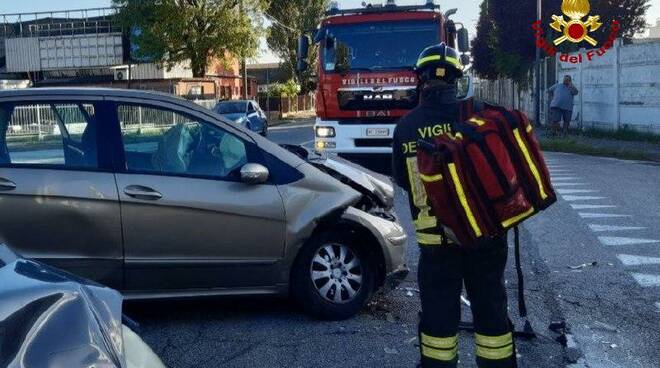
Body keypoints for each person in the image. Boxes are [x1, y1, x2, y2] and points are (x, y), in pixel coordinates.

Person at [392, 43, 516, 368]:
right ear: (457, 79)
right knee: (491, 310)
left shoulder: (406, 127)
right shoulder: (481, 114)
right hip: (486, 236)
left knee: (439, 318)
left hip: (438, 244)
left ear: (421, 79)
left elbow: (404, 181)